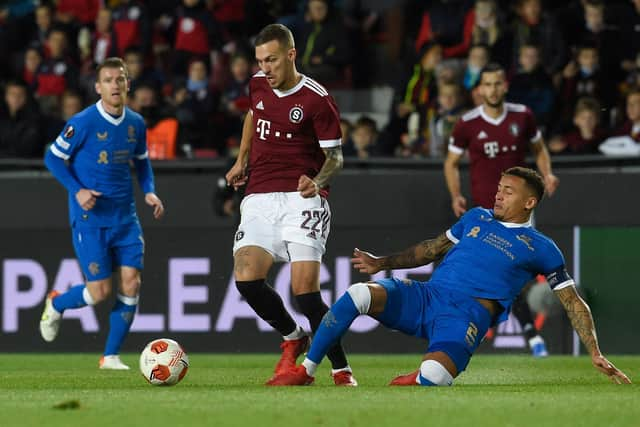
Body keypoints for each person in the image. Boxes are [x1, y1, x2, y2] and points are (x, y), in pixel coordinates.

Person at [267, 167, 632, 386]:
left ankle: (417, 376)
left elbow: (571, 300)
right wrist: (383, 263)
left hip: (466, 316)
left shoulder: (541, 247)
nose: (498, 193)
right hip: (428, 296)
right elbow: (431, 249)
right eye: (499, 187)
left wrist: (595, 352)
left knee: (434, 378)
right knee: (360, 294)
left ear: (530, 202)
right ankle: (309, 370)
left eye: (508, 190)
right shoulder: (476, 217)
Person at [224, 24, 355, 386]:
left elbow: (336, 158)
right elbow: (254, 114)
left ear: (291, 55)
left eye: (272, 60)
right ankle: (294, 336)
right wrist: (242, 159)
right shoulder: (257, 85)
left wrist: (318, 181)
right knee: (247, 279)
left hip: (303, 197)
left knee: (305, 293)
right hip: (260, 193)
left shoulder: (317, 99)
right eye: (260, 61)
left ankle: (341, 368)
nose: (265, 68)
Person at [39, 57, 165, 370]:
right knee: (99, 292)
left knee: (131, 283)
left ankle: (110, 356)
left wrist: (149, 190)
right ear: (98, 87)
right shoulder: (82, 122)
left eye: (120, 79)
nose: (115, 85)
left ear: (127, 85)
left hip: (125, 218)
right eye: (108, 80)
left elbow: (143, 162)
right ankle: (56, 303)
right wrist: (77, 190)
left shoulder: (135, 123)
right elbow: (53, 158)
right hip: (90, 220)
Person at [444, 63, 559, 357]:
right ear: (479, 88)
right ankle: (530, 335)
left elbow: (540, 149)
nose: (493, 89)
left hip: (520, 212)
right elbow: (451, 163)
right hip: (485, 213)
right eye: (487, 84)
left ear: (505, 85)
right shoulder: (467, 123)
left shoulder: (522, 116)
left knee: (512, 272)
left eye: (497, 83)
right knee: (500, 274)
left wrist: (547, 174)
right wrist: (456, 194)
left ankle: (508, 331)